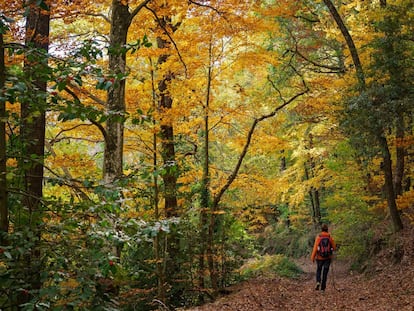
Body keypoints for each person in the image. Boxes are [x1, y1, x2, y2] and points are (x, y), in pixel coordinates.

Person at [311, 223, 336, 291]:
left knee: (319, 270)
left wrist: (312, 257)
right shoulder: (329, 237)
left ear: (321, 229)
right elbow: (334, 247)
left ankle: (318, 281)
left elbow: (315, 248)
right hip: (327, 258)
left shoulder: (319, 237)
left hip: (319, 257)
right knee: (325, 272)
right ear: (327, 229)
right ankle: (323, 288)